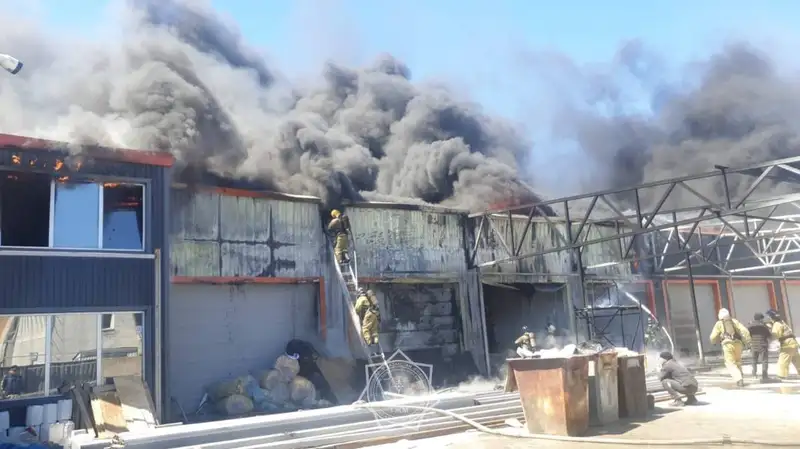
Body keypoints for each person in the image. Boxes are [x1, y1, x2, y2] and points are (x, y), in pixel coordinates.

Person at [709, 308, 751, 387]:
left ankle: (739, 379)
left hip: (727, 345)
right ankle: (740, 376)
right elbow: (745, 331)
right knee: (738, 361)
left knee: (730, 363)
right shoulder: (734, 321)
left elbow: (713, 336)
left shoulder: (719, 324)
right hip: (738, 344)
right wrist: (747, 341)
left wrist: (713, 342)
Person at [764, 309, 800, 380]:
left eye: (768, 317)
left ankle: (781, 375)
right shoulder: (782, 322)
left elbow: (775, 335)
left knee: (783, 361)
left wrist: (768, 332)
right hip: (793, 343)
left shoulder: (776, 324)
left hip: (787, 345)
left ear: (771, 317)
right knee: (797, 360)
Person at [355, 288, 381, 357]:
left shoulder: (361, 298)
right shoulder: (368, 298)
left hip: (369, 314)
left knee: (365, 329)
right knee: (374, 330)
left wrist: (356, 312)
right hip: (375, 314)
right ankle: (376, 343)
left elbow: (357, 308)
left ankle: (369, 344)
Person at [747, 312, 772, 381]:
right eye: (762, 318)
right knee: (764, 360)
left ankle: (754, 374)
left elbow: (748, 334)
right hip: (762, 345)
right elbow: (769, 335)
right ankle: (764, 375)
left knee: (754, 360)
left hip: (753, 345)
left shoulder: (750, 326)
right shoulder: (763, 326)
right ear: (760, 319)